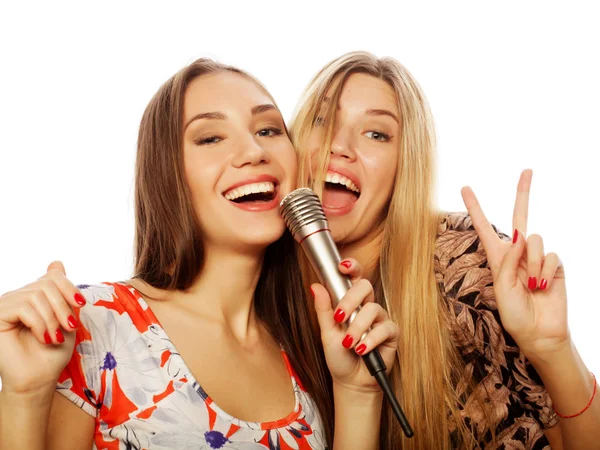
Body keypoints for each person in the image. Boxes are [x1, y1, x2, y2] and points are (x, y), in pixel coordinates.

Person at [0, 58, 399, 449]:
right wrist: (24, 395)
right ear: (167, 173)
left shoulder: (306, 353)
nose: (254, 151)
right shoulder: (95, 322)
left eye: (269, 130)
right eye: (211, 138)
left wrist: (357, 393)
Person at [289, 51, 599, 449]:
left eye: (377, 134)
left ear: (404, 165)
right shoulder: (257, 295)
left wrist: (553, 350)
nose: (340, 146)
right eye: (323, 120)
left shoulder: (465, 262)